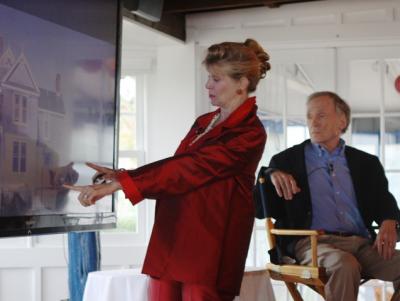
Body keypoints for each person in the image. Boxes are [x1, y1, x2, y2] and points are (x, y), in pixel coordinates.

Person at [64, 38, 270, 301]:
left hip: (210, 244)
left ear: (241, 83)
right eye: (209, 77)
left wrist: (123, 182)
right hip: (172, 234)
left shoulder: (249, 132)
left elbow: (192, 167)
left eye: (216, 79)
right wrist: (123, 176)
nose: (208, 85)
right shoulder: (205, 121)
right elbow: (176, 169)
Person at [259, 91, 400, 301]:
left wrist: (390, 220)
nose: (313, 122)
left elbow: (383, 200)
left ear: (342, 121)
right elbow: (260, 208)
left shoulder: (367, 163)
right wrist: (268, 175)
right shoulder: (286, 161)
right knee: (345, 265)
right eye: (309, 116)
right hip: (314, 245)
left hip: (362, 244)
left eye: (321, 115)